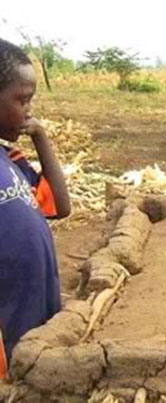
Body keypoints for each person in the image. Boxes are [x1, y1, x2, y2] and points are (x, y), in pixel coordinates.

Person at [0, 38, 70, 375]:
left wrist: (41, 138)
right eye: (22, 99)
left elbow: (61, 206)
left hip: (36, 316)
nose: (29, 110)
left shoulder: (11, 160)